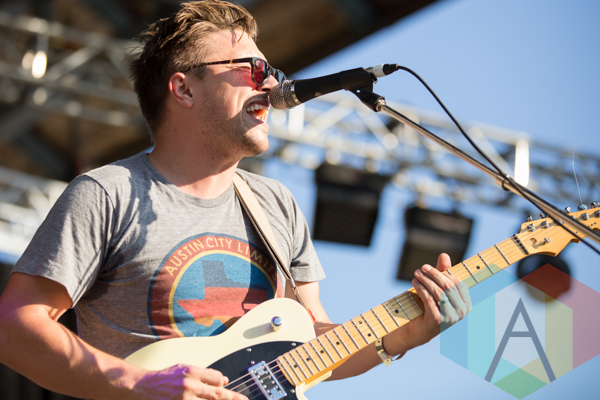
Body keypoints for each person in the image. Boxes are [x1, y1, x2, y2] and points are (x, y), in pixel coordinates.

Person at [0, 1, 471, 399]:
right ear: (184, 88)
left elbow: (311, 342)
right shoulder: (107, 193)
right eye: (253, 69)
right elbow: (15, 327)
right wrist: (140, 383)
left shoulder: (276, 204)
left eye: (273, 72)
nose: (271, 84)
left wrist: (404, 335)